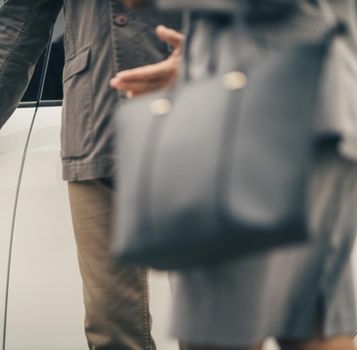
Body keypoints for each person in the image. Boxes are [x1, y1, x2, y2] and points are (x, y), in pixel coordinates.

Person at [0, 1, 180, 349]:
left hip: (216, 112)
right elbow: (18, 27)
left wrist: (214, 57)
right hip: (98, 124)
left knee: (221, 324)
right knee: (112, 330)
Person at [112, 0, 357, 349]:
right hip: (310, 98)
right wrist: (198, 59)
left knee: (219, 332)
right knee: (312, 323)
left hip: (264, 111)